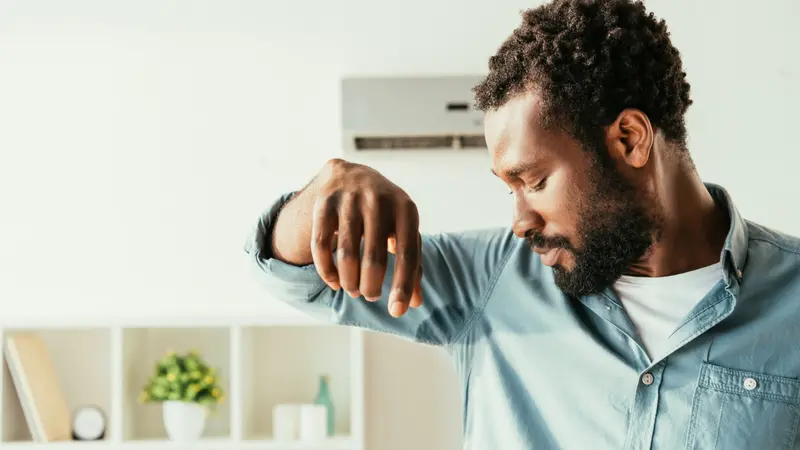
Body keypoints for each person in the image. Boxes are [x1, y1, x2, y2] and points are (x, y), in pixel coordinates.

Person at [244, 0, 800, 448]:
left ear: (629, 139)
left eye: (533, 181)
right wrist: (324, 192)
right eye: (507, 188)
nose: (520, 221)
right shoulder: (491, 279)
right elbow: (294, 276)